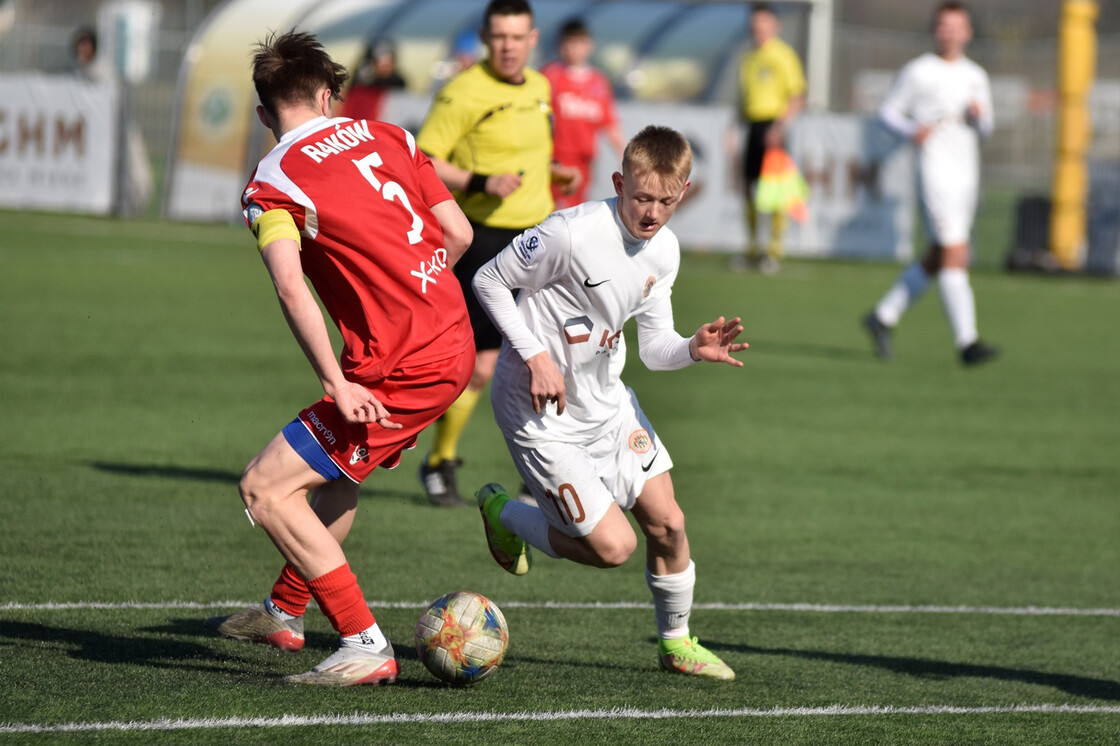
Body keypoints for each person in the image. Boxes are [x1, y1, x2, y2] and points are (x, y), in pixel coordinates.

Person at [203, 30, 475, 687]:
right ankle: (286, 611)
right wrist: (417, 301)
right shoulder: (390, 137)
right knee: (336, 477)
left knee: (264, 489)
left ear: (266, 114)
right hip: (451, 340)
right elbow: (458, 233)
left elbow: (290, 283)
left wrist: (337, 379)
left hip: (400, 366)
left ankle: (364, 643)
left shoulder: (274, 183)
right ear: (328, 96)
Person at [472, 125, 747, 680]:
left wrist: (692, 348)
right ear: (619, 182)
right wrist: (533, 355)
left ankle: (677, 645)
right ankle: (504, 512)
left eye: (666, 201)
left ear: (684, 192)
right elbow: (488, 279)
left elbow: (654, 349)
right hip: (539, 411)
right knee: (612, 548)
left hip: (607, 404)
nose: (652, 212)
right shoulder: (569, 233)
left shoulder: (663, 250)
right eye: (642, 197)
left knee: (668, 524)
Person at [415, 0, 580, 507]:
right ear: (486, 38)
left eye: (518, 37)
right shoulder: (464, 92)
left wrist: (553, 173)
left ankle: (545, 473)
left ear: (533, 40)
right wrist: (481, 180)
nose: (508, 46)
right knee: (482, 367)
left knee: (555, 356)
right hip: (484, 239)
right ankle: (440, 462)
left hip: (540, 238)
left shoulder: (540, 86)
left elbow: (532, 151)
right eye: (500, 37)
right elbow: (421, 159)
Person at [862, 1, 998, 366]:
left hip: (966, 176)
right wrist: (911, 130)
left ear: (968, 32)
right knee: (956, 253)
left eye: (957, 26)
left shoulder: (976, 76)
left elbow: (987, 129)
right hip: (934, 174)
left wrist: (979, 118)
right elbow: (888, 111)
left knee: (941, 256)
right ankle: (967, 342)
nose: (950, 32)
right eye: (944, 25)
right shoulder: (919, 71)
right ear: (935, 30)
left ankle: (882, 316)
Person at [735, 3, 806, 274]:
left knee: (775, 191)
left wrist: (779, 126)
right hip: (752, 126)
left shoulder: (784, 56)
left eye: (764, 24)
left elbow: (797, 96)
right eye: (755, 25)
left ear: (775, 26)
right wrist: (734, 128)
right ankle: (753, 248)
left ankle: (773, 251)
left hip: (773, 128)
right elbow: (744, 100)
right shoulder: (748, 57)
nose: (759, 29)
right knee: (748, 188)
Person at [541, 17, 624, 209]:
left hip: (584, 162)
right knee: (556, 212)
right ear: (561, 45)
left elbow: (609, 121)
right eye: (569, 42)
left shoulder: (598, 82)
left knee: (576, 211)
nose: (574, 49)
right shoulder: (550, 76)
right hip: (556, 160)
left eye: (579, 43)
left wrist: (622, 150)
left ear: (589, 45)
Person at [340, 37, 407, 122]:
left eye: (389, 62)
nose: (386, 67)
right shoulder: (359, 90)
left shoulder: (398, 85)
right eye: (382, 63)